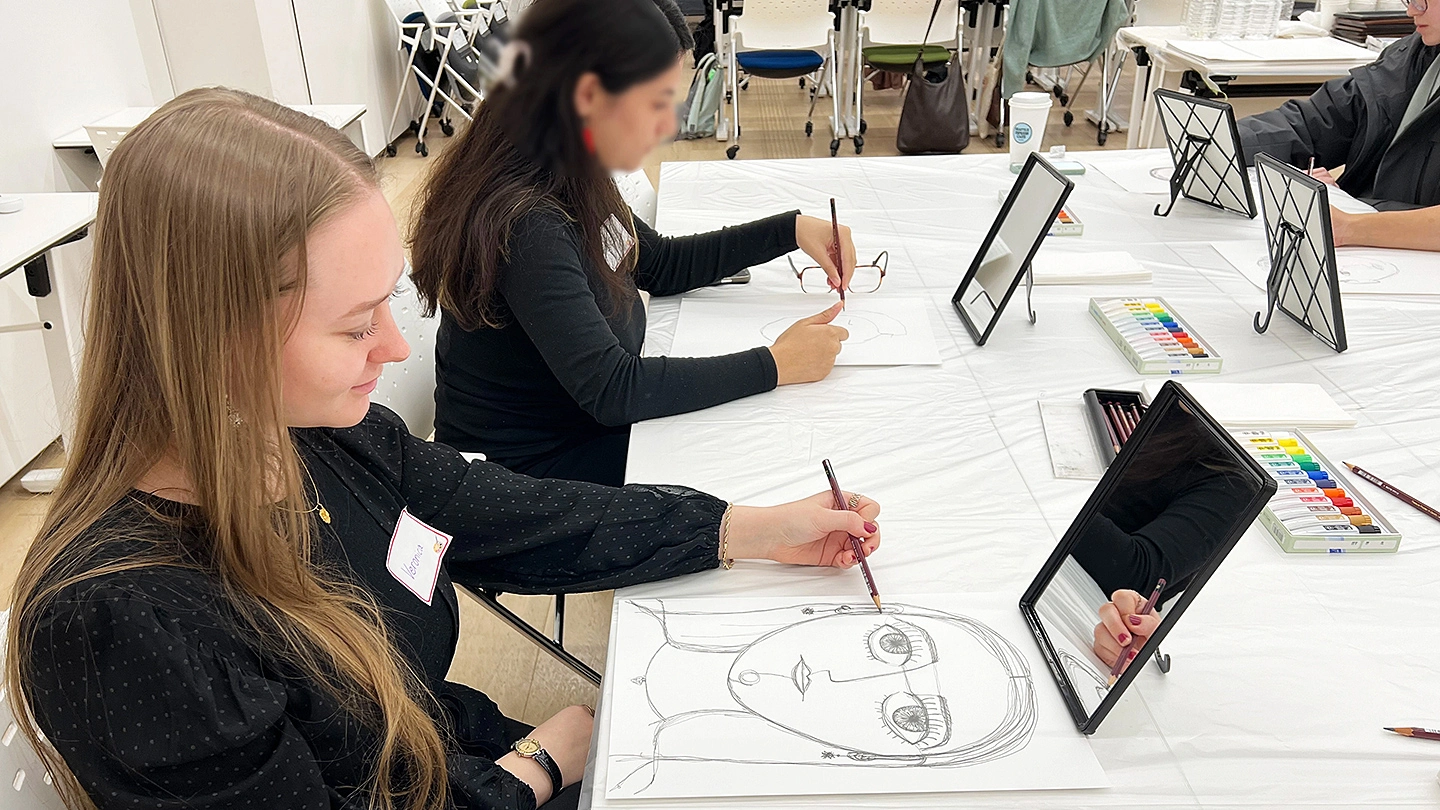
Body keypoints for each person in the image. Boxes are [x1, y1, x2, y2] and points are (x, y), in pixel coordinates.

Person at [3, 88, 884, 810]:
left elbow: (519, 515)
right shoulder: (122, 624)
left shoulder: (315, 439)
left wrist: (744, 529)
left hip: (459, 755)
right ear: (215, 338)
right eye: (356, 326)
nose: (395, 348)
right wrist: (535, 768)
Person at [409, 0, 861, 488]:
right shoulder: (527, 222)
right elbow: (612, 389)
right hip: (532, 477)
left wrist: (789, 231)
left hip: (579, 431)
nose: (667, 125)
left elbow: (660, 264)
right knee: (765, 455)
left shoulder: (569, 166)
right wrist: (774, 364)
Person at [1237, 3, 1440, 212]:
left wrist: (1346, 205)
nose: (1412, 10)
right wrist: (1227, 143)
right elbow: (1316, 123)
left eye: (1424, 1)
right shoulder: (1412, 55)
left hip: (1372, 226)